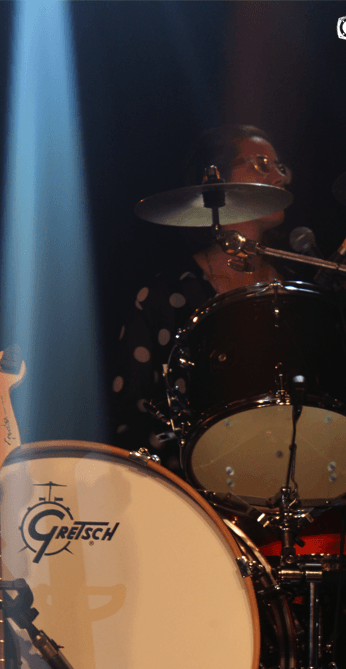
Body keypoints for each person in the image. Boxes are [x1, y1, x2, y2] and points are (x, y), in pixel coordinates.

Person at [112, 124, 291, 468]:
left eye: (281, 167)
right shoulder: (166, 294)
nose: (279, 177)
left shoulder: (295, 286)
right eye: (260, 164)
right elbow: (129, 416)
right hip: (192, 482)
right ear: (217, 181)